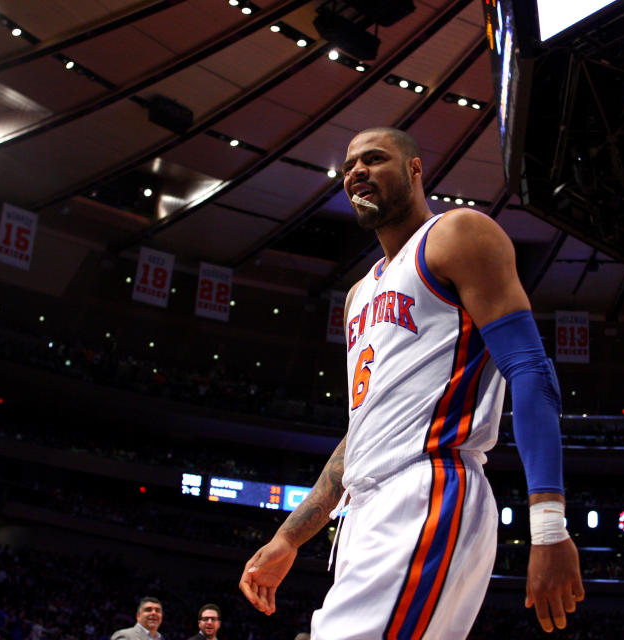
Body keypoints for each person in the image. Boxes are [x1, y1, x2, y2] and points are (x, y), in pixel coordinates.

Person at [239, 127, 584, 637]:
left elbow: (532, 371)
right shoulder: (359, 294)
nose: (356, 171)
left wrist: (549, 527)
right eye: (348, 166)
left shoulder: (458, 234)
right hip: (363, 511)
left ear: (415, 169)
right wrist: (290, 536)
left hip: (426, 489)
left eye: (374, 159)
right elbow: (362, 432)